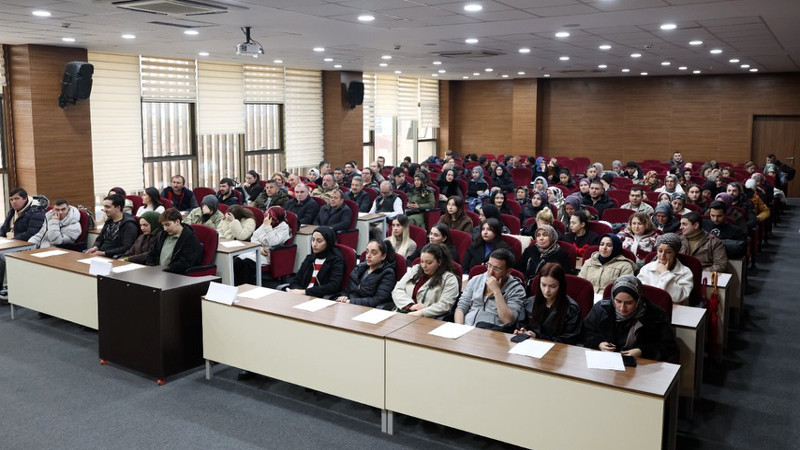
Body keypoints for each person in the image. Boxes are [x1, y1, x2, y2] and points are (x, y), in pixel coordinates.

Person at [582, 275, 677, 362]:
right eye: (618, 301)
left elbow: (668, 346)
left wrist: (641, 351)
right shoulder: (601, 309)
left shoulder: (655, 315)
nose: (622, 308)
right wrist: (598, 343)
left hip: (641, 364)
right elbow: (586, 331)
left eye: (629, 303)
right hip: (606, 360)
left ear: (638, 300)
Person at [455, 248, 526, 331]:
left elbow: (508, 321)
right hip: (466, 327)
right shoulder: (476, 280)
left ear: (508, 271)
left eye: (496, 269)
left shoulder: (517, 290)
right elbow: (461, 307)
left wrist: (497, 291)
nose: (490, 272)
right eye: (489, 266)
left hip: (492, 332)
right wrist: (459, 328)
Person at [515, 262, 582, 344]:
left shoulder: (572, 309)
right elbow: (520, 326)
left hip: (558, 352)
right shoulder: (529, 303)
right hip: (530, 347)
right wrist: (522, 332)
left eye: (552, 286)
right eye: (543, 285)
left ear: (561, 286)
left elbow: (569, 340)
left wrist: (538, 337)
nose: (547, 291)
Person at [392, 243, 460, 317]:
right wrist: (411, 305)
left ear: (439, 262)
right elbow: (397, 289)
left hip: (427, 318)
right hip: (405, 312)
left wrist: (421, 312)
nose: (424, 266)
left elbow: (444, 305)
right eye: (422, 261)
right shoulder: (415, 269)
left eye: (429, 263)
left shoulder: (449, 279)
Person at [234, 206, 292, 286]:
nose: (270, 221)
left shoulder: (284, 228)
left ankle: (247, 287)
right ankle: (237, 286)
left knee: (245, 263)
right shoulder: (266, 222)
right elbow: (254, 236)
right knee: (236, 260)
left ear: (278, 219)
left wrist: (268, 227)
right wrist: (259, 247)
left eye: (272, 219)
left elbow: (273, 242)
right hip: (258, 250)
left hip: (270, 255)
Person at [335, 239, 397, 307]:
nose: (368, 256)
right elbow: (348, 289)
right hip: (349, 305)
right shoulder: (359, 268)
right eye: (367, 252)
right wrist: (344, 296)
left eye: (374, 253)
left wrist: (351, 301)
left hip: (367, 309)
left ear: (383, 256)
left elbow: (378, 299)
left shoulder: (387, 273)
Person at [285, 226, 344, 297]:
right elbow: (296, 280)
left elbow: (333, 286)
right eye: (313, 240)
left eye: (319, 241)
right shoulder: (310, 258)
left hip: (319, 297)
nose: (314, 244)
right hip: (302, 296)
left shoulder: (336, 261)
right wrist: (296, 291)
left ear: (328, 242)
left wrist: (305, 292)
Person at [637, 233, 693, 305]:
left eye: (668, 252)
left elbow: (678, 297)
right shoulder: (647, 268)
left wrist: (665, 273)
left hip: (675, 310)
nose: (662, 255)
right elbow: (639, 293)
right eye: (660, 251)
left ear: (675, 253)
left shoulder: (685, 272)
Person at [145, 208, 203, 274]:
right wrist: (152, 269)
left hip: (175, 276)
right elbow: (151, 254)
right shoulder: (161, 235)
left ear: (177, 222)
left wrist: (164, 271)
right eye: (163, 225)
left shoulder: (190, 239)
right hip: (157, 273)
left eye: (167, 225)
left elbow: (184, 263)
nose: (165, 229)